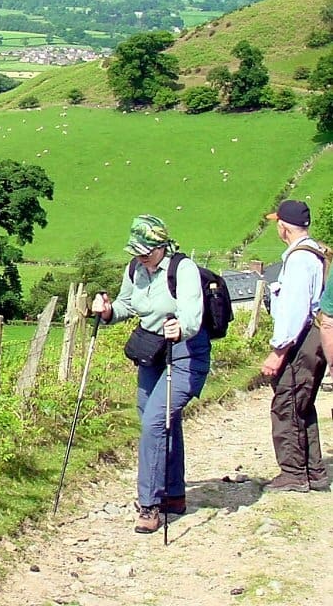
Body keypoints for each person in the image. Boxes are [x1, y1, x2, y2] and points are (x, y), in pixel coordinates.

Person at [92, 214, 210, 534]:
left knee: (155, 422)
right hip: (152, 352)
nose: (141, 257)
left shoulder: (182, 269)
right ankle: (173, 494)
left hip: (185, 353)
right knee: (158, 420)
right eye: (137, 251)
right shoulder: (135, 269)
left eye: (146, 251)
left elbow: (191, 314)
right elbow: (126, 305)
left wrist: (180, 327)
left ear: (161, 246)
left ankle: (149, 504)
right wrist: (106, 311)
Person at [260, 199, 329, 492]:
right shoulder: (316, 252)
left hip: (301, 340)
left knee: (287, 404)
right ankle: (313, 471)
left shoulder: (299, 260)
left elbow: (295, 310)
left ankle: (294, 473)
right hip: (312, 338)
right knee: (302, 404)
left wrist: (278, 351)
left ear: (283, 227)